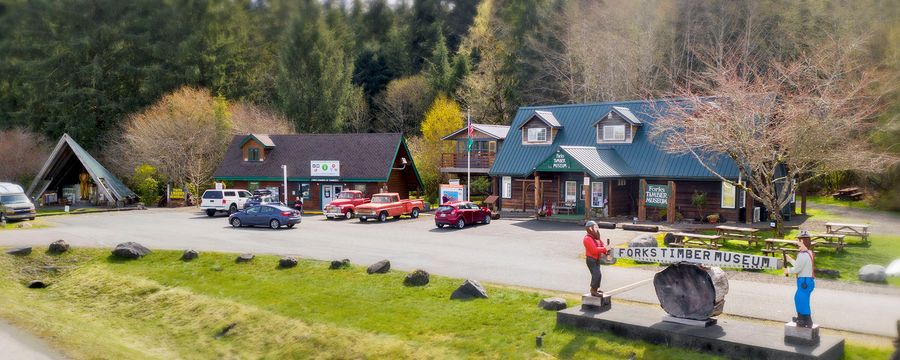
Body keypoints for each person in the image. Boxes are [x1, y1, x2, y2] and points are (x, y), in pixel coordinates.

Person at [785, 231, 815, 328]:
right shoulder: (808, 253)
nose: (796, 243)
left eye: (798, 241)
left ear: (802, 241)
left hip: (804, 282)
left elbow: (797, 269)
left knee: (801, 300)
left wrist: (788, 270)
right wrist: (790, 260)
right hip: (807, 281)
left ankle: (804, 320)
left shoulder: (802, 255)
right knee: (800, 299)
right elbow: (800, 265)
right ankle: (802, 318)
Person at [583, 220, 608, 297]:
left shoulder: (596, 238)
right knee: (597, 274)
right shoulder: (587, 239)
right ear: (590, 228)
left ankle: (595, 288)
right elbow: (594, 250)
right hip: (591, 259)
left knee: (596, 275)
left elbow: (602, 245)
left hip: (597, 259)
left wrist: (606, 249)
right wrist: (605, 249)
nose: (597, 228)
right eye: (596, 227)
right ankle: (593, 290)